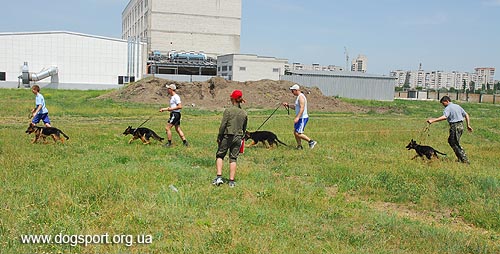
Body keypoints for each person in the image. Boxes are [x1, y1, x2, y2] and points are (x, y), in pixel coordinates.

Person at [212, 90, 248, 188]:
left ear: (232, 99)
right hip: (238, 137)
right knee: (233, 158)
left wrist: (219, 136)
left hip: (227, 136)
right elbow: (244, 128)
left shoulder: (228, 111)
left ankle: (219, 177)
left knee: (220, 155)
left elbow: (223, 125)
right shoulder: (244, 113)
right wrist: (242, 137)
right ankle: (231, 181)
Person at [427, 96, 473, 164]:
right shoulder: (457, 106)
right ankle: (461, 158)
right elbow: (466, 114)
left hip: (454, 126)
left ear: (447, 101)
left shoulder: (448, 108)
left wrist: (433, 121)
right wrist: (468, 125)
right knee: (452, 142)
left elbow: (445, 117)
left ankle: (464, 160)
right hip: (461, 126)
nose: (443, 105)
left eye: (443, 103)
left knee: (455, 143)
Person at [282, 84, 317, 149]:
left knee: (298, 133)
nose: (292, 93)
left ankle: (311, 141)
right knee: (295, 132)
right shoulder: (298, 97)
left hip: (302, 118)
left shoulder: (301, 97)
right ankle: (299, 146)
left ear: (296, 90)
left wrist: (297, 117)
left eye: (292, 91)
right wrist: (288, 105)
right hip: (300, 117)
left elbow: (302, 108)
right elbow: (296, 107)